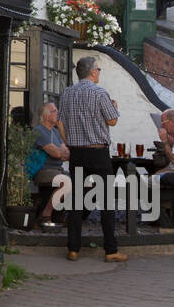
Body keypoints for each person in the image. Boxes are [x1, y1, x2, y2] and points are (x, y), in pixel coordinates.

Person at [57, 56, 127, 262]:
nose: (99, 73)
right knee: (106, 201)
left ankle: (73, 249)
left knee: (77, 200)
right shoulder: (99, 92)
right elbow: (112, 120)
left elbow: (60, 122)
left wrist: (69, 142)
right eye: (99, 69)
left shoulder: (67, 93)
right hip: (98, 152)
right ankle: (111, 250)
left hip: (77, 153)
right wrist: (114, 106)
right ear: (93, 72)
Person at [32, 103, 71, 227]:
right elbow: (57, 153)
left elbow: (67, 153)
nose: (57, 113)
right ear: (46, 116)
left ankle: (65, 215)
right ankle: (46, 214)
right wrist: (61, 153)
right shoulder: (39, 130)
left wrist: (62, 152)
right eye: (54, 111)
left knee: (83, 180)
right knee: (66, 182)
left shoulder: (56, 132)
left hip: (58, 170)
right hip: (43, 170)